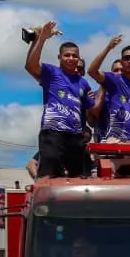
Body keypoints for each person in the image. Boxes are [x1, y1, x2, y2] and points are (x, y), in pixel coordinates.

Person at [23, 21, 97, 178]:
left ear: (79, 58)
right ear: (59, 57)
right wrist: (41, 39)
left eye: (74, 56)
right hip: (52, 133)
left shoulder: (83, 83)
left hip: (75, 136)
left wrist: (105, 86)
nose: (71, 58)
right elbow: (30, 66)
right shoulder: (52, 72)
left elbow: (93, 111)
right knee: (50, 166)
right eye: (67, 55)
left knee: (81, 175)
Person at [87, 36, 130, 144]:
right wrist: (108, 48)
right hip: (117, 140)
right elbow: (92, 71)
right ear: (121, 61)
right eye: (127, 58)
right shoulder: (113, 80)